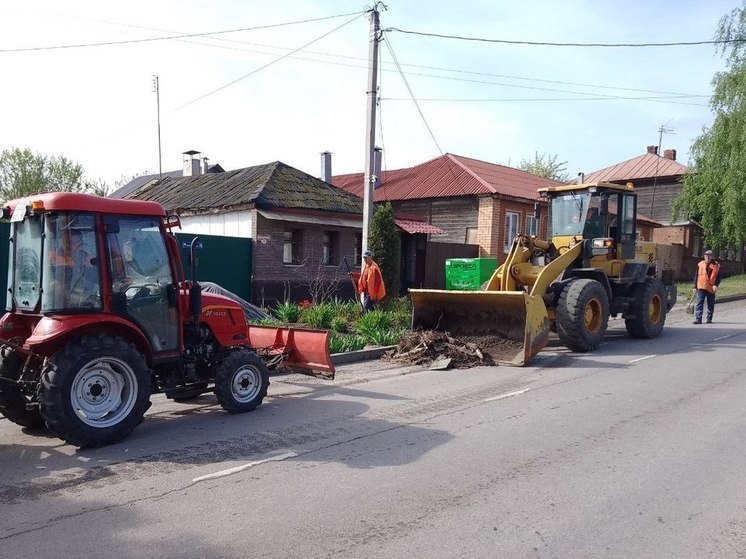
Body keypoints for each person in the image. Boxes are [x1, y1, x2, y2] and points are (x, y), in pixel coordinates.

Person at [692, 249, 721, 324]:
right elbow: (696, 276)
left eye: (709, 255)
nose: (708, 257)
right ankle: (698, 319)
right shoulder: (700, 264)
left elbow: (719, 277)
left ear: (712, 257)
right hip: (701, 286)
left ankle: (709, 318)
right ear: (704, 256)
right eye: (706, 255)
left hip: (711, 287)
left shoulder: (716, 265)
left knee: (710, 303)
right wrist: (695, 287)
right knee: (699, 303)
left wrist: (716, 285)